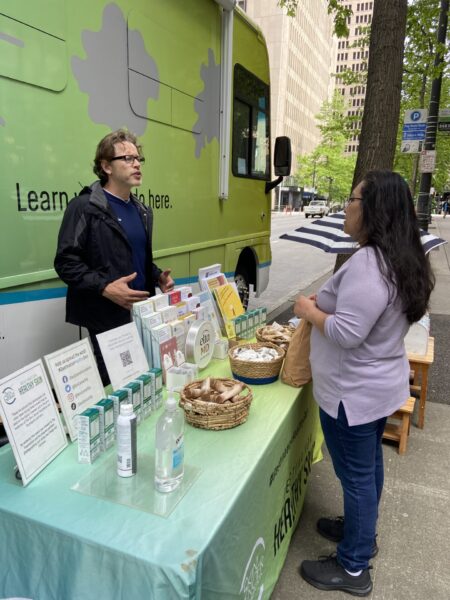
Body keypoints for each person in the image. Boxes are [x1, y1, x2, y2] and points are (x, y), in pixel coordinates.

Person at [294, 171, 434, 596]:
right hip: (375, 388)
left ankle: (354, 566)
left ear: (373, 209)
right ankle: (360, 532)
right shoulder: (399, 256)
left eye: (353, 200)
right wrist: (328, 305)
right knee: (367, 467)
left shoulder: (370, 264)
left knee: (356, 477)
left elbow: (347, 333)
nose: (346, 207)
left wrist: (307, 309)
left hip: (351, 394)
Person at [54, 129, 174, 385]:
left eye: (138, 158)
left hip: (142, 312)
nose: (136, 164)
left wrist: (156, 276)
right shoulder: (85, 207)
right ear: (106, 166)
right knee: (116, 385)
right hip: (104, 316)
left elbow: (133, 255)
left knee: (145, 380)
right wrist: (105, 288)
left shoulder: (141, 210)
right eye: (127, 158)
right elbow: (66, 262)